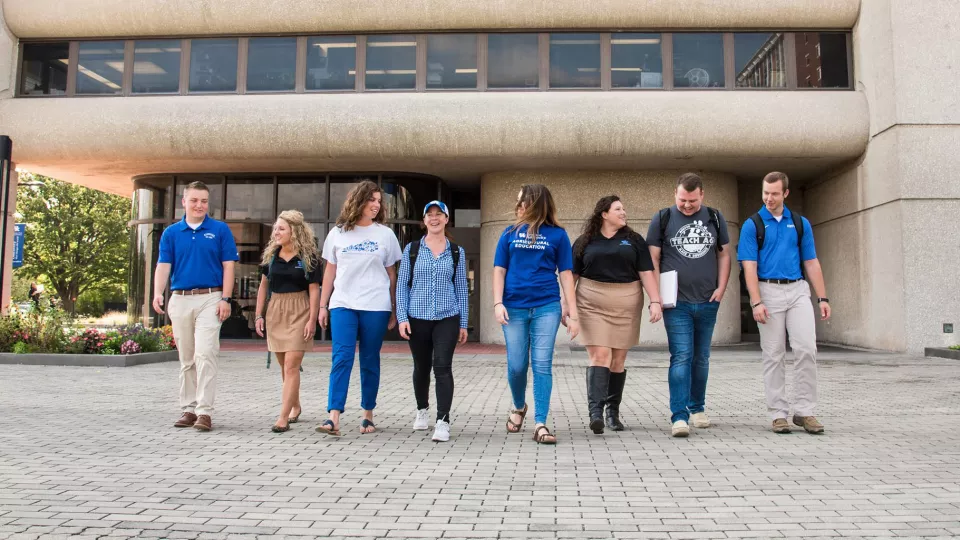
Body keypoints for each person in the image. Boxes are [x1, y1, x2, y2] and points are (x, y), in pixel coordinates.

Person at [738, 171, 831, 434]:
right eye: (765, 193)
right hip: (768, 291)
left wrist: (822, 298)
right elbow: (749, 266)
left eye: (774, 194)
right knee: (774, 354)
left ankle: (805, 411)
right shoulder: (752, 225)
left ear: (786, 193)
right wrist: (756, 302)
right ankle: (778, 414)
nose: (769, 198)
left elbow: (811, 261)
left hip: (798, 290)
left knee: (806, 349)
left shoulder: (800, 223)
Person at [493, 183, 579, 445]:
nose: (518, 205)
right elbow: (499, 270)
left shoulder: (558, 235)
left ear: (536, 203)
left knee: (542, 364)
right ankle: (519, 406)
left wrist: (573, 313)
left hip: (546, 306)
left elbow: (566, 274)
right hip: (514, 306)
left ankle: (540, 422)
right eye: (517, 201)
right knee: (517, 365)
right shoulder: (509, 233)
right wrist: (497, 303)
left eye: (523, 201)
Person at [647, 173, 731, 438]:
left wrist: (721, 288)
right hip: (677, 302)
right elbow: (653, 259)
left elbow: (724, 255)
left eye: (692, 201)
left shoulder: (715, 217)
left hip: (708, 300)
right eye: (682, 199)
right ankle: (679, 416)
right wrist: (657, 297)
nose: (686, 205)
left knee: (701, 357)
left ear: (702, 195)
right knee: (682, 356)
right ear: (675, 193)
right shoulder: (662, 218)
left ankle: (697, 408)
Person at [315, 180, 402, 437]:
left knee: (369, 359)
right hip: (343, 304)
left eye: (379, 201)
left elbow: (392, 274)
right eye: (371, 200)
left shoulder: (385, 235)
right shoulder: (338, 233)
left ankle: (367, 414)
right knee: (341, 357)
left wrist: (394, 308)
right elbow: (330, 272)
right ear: (358, 201)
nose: (376, 205)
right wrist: (323, 305)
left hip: (376, 306)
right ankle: (333, 416)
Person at [153, 181, 239, 432]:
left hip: (210, 298)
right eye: (194, 200)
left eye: (203, 201)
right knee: (187, 358)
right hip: (180, 298)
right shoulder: (171, 233)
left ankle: (204, 412)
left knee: (206, 354)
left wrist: (226, 298)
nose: (199, 205)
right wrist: (158, 292)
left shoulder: (220, 230)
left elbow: (228, 266)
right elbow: (163, 265)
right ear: (184, 202)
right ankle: (188, 409)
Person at [573, 195, 662, 435]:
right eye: (618, 209)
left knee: (618, 361)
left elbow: (646, 272)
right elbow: (572, 276)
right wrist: (566, 305)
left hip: (626, 304)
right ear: (604, 214)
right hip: (591, 303)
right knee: (600, 355)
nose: (623, 213)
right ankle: (595, 413)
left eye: (623, 209)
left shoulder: (634, 240)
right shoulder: (585, 241)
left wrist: (655, 301)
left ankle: (612, 413)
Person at [396, 200, 469, 442]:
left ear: (446, 219)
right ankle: (422, 409)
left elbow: (461, 288)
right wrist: (402, 317)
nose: (434, 218)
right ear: (424, 220)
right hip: (417, 317)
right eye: (430, 215)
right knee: (422, 367)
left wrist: (463, 322)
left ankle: (443, 421)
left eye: (439, 214)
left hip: (447, 317)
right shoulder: (412, 249)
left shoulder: (456, 252)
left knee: (443, 367)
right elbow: (402, 286)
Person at [254, 210, 321, 433]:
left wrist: (312, 319)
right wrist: (258, 314)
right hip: (276, 310)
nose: (276, 232)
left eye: (281, 228)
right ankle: (295, 405)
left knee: (292, 366)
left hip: (300, 309)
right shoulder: (271, 256)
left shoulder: (308, 257)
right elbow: (263, 286)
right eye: (275, 228)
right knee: (284, 367)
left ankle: (282, 417)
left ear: (295, 231)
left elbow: (314, 290)